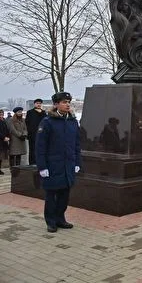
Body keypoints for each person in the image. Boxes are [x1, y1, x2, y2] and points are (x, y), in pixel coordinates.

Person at [36, 92, 81, 233]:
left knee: (64, 195)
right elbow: (40, 146)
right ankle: (51, 221)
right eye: (64, 102)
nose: (67, 104)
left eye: (69, 102)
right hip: (53, 165)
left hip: (68, 164)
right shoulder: (47, 122)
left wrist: (77, 162)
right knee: (51, 195)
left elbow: (77, 144)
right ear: (56, 105)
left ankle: (60, 219)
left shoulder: (73, 121)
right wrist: (42, 167)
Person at [25, 98, 47, 165]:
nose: (38, 104)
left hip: (42, 134)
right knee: (32, 150)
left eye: (40, 103)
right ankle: (32, 163)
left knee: (41, 149)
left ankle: (41, 163)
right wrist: (28, 133)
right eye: (37, 103)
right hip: (32, 135)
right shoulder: (30, 112)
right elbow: (27, 123)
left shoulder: (44, 113)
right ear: (34, 104)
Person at [0, 110, 9, 174]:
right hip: (1, 140)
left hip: (4, 141)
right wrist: (3, 137)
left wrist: (8, 137)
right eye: (0, 113)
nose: (1, 114)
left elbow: (7, 129)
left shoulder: (4, 120)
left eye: (2, 113)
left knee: (1, 156)